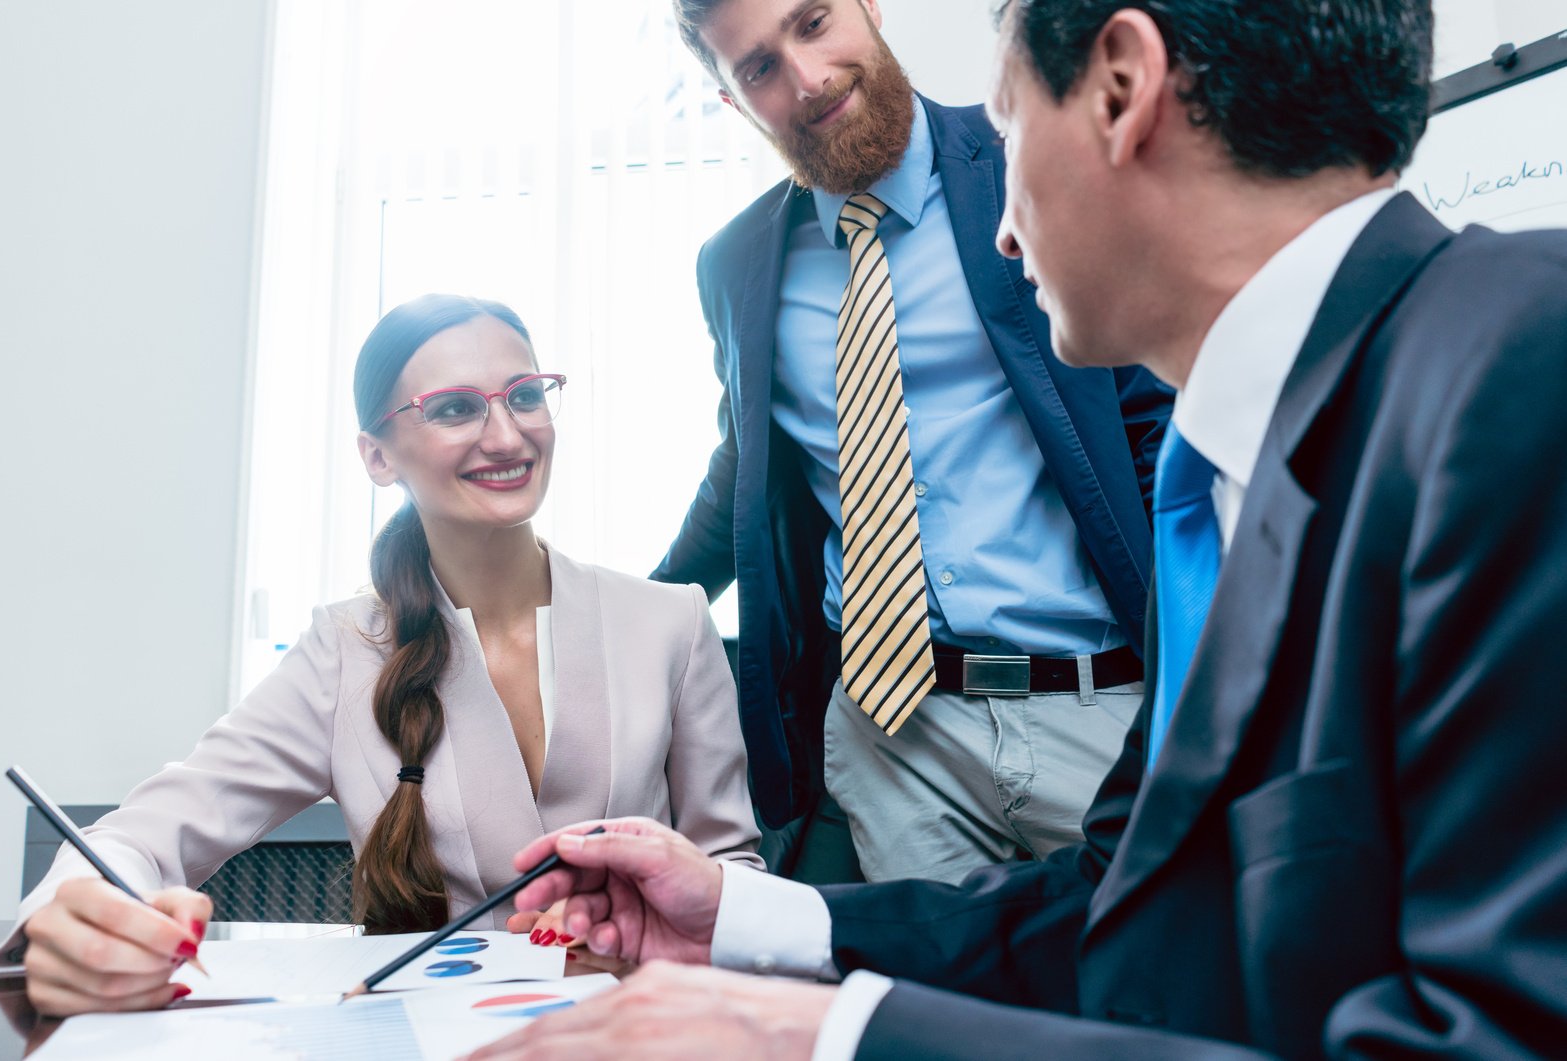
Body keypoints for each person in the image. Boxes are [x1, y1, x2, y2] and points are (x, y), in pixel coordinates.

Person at [464, 0, 1567, 1056]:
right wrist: (750, 926)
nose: (995, 224)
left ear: (1120, 91)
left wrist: (827, 1036)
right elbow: (1120, 911)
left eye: (1005, 122)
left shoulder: (1520, 366)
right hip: (907, 717)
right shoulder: (1235, 480)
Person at [0, 293, 762, 1017]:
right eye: (455, 408)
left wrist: (660, 921)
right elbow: (154, 828)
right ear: (377, 456)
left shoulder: (672, 622)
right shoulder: (341, 651)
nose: (506, 434)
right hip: (423, 1037)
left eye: (524, 394)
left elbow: (736, 874)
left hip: (649, 1028)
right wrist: (71, 914)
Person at [653, 0, 1173, 885]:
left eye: (813, 23)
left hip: (1104, 702)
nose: (806, 79)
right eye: (758, 68)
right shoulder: (735, 264)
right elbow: (747, 470)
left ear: (868, 6)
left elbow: (1159, 426)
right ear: (734, 102)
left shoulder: (1032, 156)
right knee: (933, 1011)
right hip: (895, 736)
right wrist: (628, 616)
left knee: (1141, 990)